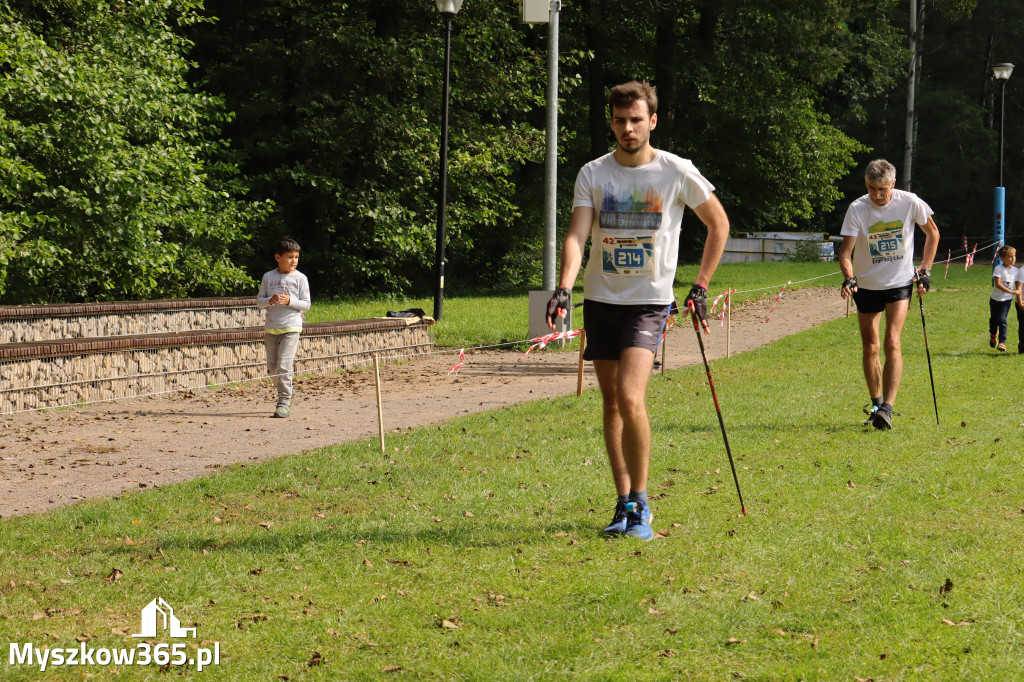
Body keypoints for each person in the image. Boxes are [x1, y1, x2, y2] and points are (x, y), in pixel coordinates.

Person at [546, 80, 730, 540]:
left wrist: (701, 284)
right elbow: (577, 235)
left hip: (648, 303)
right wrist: (564, 287)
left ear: (651, 120)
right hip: (602, 300)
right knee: (610, 402)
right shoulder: (593, 173)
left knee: (631, 397)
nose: (627, 128)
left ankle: (643, 503)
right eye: (618, 120)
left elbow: (718, 224)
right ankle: (622, 502)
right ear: (611, 122)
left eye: (635, 120)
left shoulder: (676, 171)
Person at [838, 159, 940, 430]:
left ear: (893, 184)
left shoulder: (910, 202)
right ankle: (875, 404)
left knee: (892, 342)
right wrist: (849, 278)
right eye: (872, 188)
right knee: (870, 346)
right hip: (867, 285)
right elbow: (845, 253)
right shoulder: (857, 208)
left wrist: (925, 271)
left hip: (899, 283)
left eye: (882, 189)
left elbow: (933, 234)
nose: (877, 195)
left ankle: (888, 409)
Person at [256, 237, 311, 418]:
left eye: (296, 257)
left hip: (291, 328)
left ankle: (284, 401)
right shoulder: (268, 277)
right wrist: (269, 301)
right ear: (278, 257)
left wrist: (290, 301)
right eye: (289, 257)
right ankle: (287, 389)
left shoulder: (301, 278)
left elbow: (306, 304)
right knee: (272, 369)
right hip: (271, 328)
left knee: (284, 366)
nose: (293, 261)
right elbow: (259, 302)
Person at [990, 245, 1017, 352]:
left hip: (1006, 300)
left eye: (1014, 256)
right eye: (1010, 256)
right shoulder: (998, 269)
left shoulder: (1016, 270)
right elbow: (997, 284)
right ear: (1002, 258)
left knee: (1002, 319)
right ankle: (993, 335)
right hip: (995, 299)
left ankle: (1002, 342)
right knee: (993, 321)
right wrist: (1011, 291)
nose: (1013, 258)